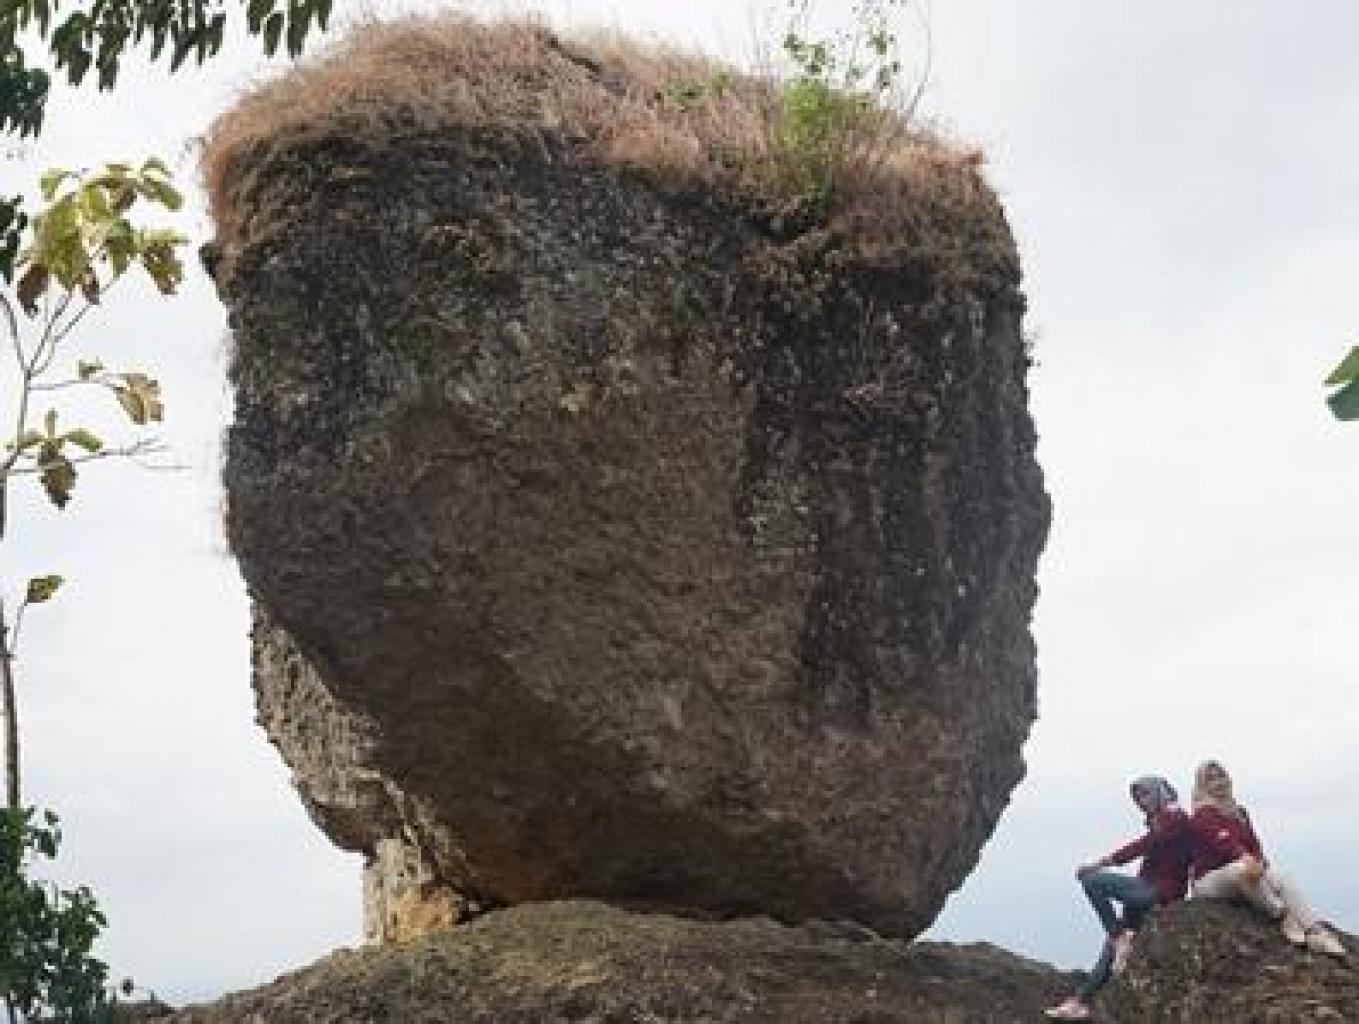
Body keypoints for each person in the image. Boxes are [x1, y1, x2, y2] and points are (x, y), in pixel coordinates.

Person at [1044, 776, 1193, 1021]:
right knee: (1111, 951)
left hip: (1158, 893)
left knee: (1092, 880)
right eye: (1137, 798)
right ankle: (1081, 1002)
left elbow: (1143, 846)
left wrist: (1101, 862)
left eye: (1145, 795)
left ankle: (1119, 938)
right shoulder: (1163, 820)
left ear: (1160, 792)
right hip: (1150, 892)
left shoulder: (1174, 817)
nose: (1141, 802)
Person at [1189, 759, 1346, 957]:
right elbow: (1224, 843)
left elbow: (1254, 844)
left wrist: (1260, 862)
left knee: (1282, 878)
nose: (1219, 782)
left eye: (1221, 776)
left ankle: (1315, 931)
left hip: (1244, 869)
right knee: (1241, 870)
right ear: (1202, 786)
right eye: (1211, 779)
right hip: (1209, 880)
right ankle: (1283, 916)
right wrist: (1246, 859)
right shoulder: (1202, 814)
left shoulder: (1239, 812)